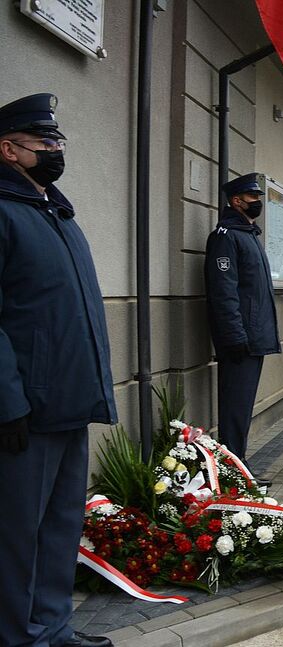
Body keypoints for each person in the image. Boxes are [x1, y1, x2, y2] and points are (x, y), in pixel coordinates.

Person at [0, 94, 116, 647]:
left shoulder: (57, 211)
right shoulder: (2, 211)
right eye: (44, 142)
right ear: (8, 150)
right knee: (16, 536)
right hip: (27, 409)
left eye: (58, 141)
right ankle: (19, 636)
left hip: (70, 400)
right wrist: (7, 402)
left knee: (60, 526)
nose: (56, 149)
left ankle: (53, 627)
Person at [205, 172, 280, 487]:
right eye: (253, 198)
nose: (258, 202)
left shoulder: (247, 234)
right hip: (242, 339)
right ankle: (233, 471)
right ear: (236, 201)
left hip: (254, 336)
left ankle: (237, 464)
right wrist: (235, 335)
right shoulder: (226, 236)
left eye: (259, 197)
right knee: (235, 408)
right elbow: (224, 291)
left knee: (242, 406)